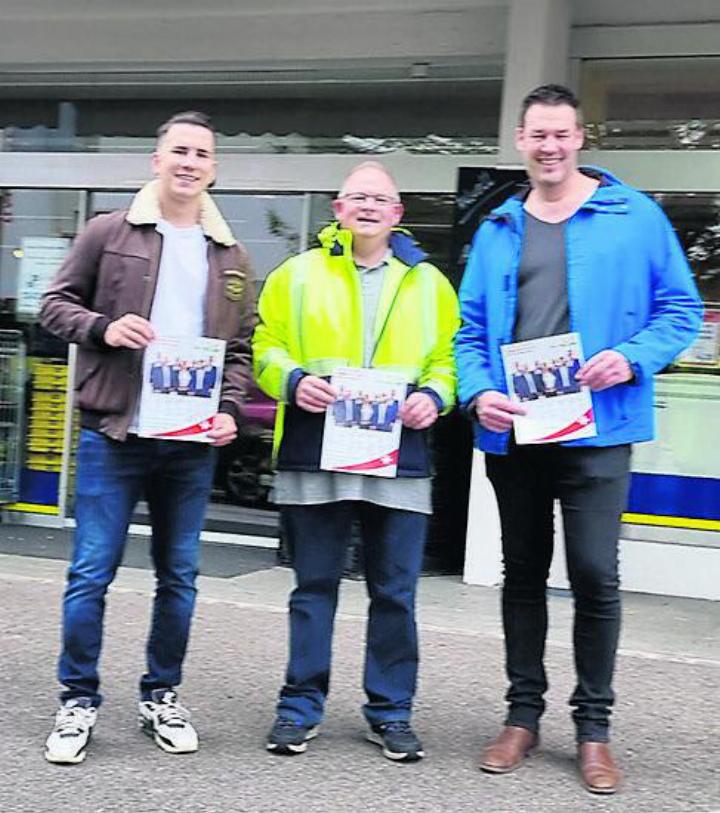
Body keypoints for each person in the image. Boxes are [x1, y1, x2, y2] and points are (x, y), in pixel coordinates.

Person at [455, 84, 702, 794]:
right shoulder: (499, 226)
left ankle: (593, 728)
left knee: (595, 572)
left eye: (561, 134)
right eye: (537, 135)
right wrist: (478, 392)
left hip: (601, 429)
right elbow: (469, 333)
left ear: (580, 137)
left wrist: (632, 356)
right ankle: (521, 716)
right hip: (519, 432)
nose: (550, 147)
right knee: (522, 574)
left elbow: (681, 309)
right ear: (522, 140)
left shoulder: (634, 215)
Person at [40, 110, 256, 764]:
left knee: (180, 577)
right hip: (114, 432)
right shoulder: (110, 231)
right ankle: (78, 699)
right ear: (156, 160)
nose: (190, 162)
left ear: (213, 168)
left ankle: (161, 694)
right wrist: (105, 327)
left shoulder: (233, 256)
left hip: (188, 442)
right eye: (179, 151)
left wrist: (230, 409)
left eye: (202, 154)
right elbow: (54, 305)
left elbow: (239, 352)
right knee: (90, 573)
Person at [253, 161, 459, 762]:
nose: (368, 206)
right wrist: (290, 381)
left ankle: (391, 713)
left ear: (398, 215)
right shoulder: (295, 274)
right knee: (312, 587)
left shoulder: (430, 283)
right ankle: (298, 707)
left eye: (382, 199)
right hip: (316, 450)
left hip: (400, 452)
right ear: (338, 209)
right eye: (357, 197)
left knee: (395, 592)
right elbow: (265, 344)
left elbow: (448, 361)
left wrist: (435, 396)